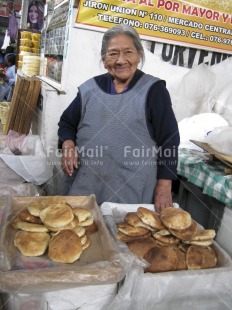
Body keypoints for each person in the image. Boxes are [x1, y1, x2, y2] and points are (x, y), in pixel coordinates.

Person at [58, 25, 180, 213]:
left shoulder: (154, 91)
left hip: (131, 191)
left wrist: (164, 187)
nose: (121, 60)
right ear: (104, 59)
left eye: (128, 52)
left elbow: (169, 140)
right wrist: (68, 144)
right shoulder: (89, 90)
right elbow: (67, 122)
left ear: (139, 55)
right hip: (86, 185)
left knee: (124, 235)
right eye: (113, 54)